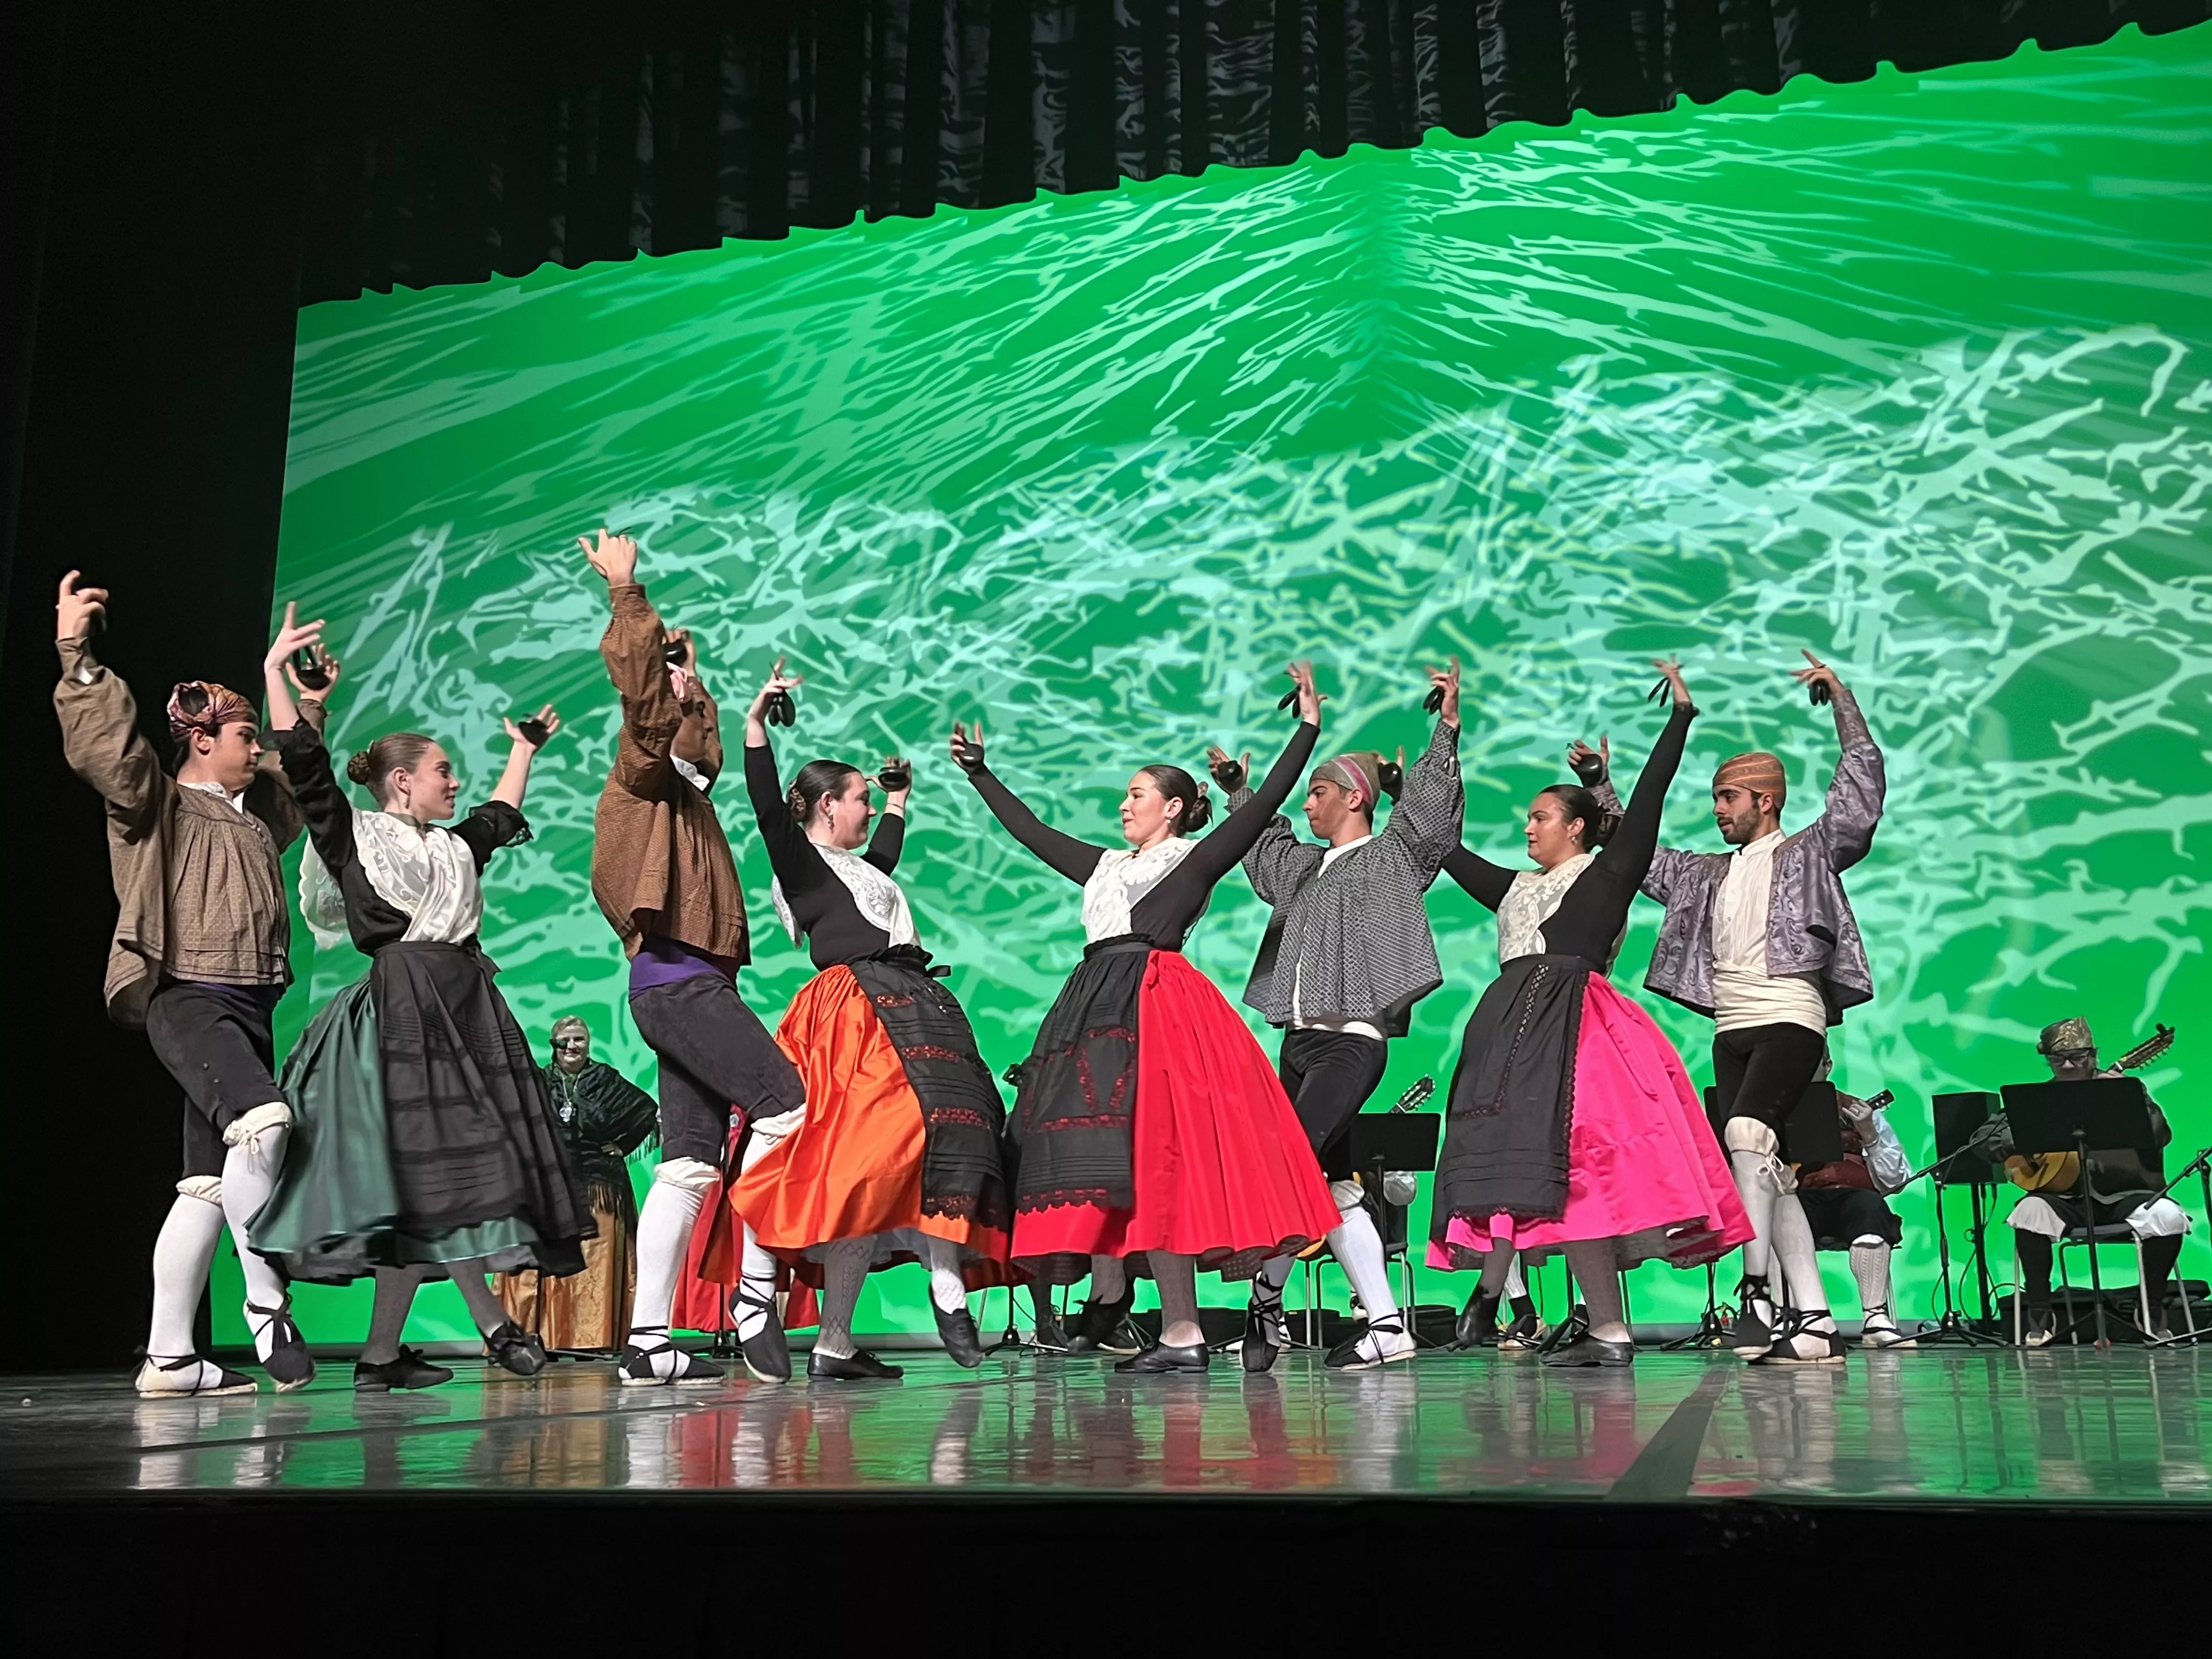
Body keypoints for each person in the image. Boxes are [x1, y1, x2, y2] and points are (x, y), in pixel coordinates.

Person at [951, 663, 1340, 1374]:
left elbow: (1257, 813)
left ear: (1172, 807)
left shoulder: (1191, 862)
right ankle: (1117, 1290)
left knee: (1160, 1161)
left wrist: (1306, 731)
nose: (1124, 805)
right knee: (1099, 1160)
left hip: (1154, 1006)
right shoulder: (1104, 866)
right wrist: (981, 775)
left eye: (1136, 795)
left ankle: (1177, 1326)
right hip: (1092, 1008)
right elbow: (1033, 833)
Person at [249, 613, 585, 1391]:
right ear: (403, 780)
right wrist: (278, 672)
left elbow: (497, 820)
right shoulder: (355, 835)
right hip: (405, 1006)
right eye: (442, 770)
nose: (453, 781)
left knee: (429, 1184)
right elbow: (303, 763)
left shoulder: (451, 847)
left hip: (466, 1004)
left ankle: (377, 1358)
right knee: (443, 1174)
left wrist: (524, 751)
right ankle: (494, 1324)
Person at [1430, 659, 1751, 1368]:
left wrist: (1680, 719)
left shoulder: (1604, 877)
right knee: (1529, 1172)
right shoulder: (1515, 889)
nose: (1528, 827)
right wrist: (1441, 739)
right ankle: (1541, 1306)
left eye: (1540, 816)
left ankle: (1573, 1316)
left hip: (1580, 1033)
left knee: (1582, 1174)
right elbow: (1439, 844)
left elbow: (1646, 808)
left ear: (1577, 826)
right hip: (1510, 1033)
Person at [54, 573, 329, 1396]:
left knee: (207, 1186)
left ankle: (169, 1358)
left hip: (248, 1001)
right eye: (247, 735)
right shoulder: (158, 803)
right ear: (202, 741)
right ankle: (267, 1299)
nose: (258, 748)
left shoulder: (256, 814)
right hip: (188, 995)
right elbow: (109, 751)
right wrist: (78, 654)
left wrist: (304, 704)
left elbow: (303, 785)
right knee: (268, 1120)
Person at [1579, 651, 1882, 1364]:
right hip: (1732, 1026)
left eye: (1727, 799)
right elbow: (1638, 856)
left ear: (1764, 800)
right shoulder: (1707, 874)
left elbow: (1860, 794)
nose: (1717, 811)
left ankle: (1755, 1291)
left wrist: (1842, 698)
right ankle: (1811, 1321)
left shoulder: (1809, 852)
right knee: (1767, 1168)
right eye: (1716, 799)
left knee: (1747, 1136)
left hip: (1790, 1016)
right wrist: (1603, 790)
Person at [721, 657, 1011, 1382]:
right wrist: (755, 724)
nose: (864, 806)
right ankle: (931, 1287)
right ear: (825, 807)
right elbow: (766, 808)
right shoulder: (805, 866)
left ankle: (835, 1345)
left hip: (910, 1007)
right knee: (867, 1154)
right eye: (857, 797)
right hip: (854, 1014)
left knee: (932, 1144)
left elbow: (883, 859)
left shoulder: (863, 871)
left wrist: (899, 801)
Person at [581, 529, 808, 1387]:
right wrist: (629, 595)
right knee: (785, 1105)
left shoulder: (691, 791)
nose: (681, 689)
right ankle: (756, 1295)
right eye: (674, 680)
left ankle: (648, 1339)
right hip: (678, 987)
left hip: (683, 987)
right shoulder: (642, 779)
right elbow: (646, 711)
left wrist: (699, 686)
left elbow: (698, 748)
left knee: (687, 1163)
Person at [1213, 659, 1465, 1371]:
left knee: (1284, 1162)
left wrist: (1444, 733)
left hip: (1348, 1042)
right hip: (1296, 1044)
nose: (1310, 804)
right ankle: (1386, 1323)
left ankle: (1266, 1304)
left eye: (1318, 791)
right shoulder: (1303, 869)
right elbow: (1262, 848)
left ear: (1355, 797)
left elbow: (1430, 822)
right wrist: (1239, 792)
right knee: (1333, 1182)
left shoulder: (1391, 857)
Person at [1995, 1018, 2190, 1345]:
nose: (2069, 1065)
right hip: (2064, 1199)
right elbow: (1987, 1140)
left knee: (2168, 1217)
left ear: (2094, 1055)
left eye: (2078, 1057)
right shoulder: (2038, 1100)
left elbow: (2160, 1135)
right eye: (2058, 1059)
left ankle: (2151, 1308)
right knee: (2029, 1211)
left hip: (2126, 1194)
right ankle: (2040, 1315)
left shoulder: (2128, 1090)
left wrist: (2124, 1098)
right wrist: (2028, 1140)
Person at [493, 1017, 659, 1351]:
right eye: (565, 1040)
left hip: (598, 1182)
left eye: (579, 1039)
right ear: (554, 1044)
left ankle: (592, 1339)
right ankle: (538, 1337)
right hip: (550, 1185)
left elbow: (646, 1111)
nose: (572, 1046)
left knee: (595, 1260)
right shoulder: (538, 1083)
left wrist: (623, 1147)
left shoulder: (605, 1079)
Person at [1796, 1078, 1915, 1348]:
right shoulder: (1774, 1111)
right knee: (1775, 1216)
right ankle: (1789, 1319)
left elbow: (1897, 1180)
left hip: (1853, 1199)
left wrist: (1869, 1135)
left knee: (1871, 1207)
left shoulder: (1858, 1111)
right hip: (1800, 1196)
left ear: (1827, 1066)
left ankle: (1875, 1319)